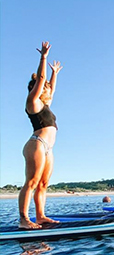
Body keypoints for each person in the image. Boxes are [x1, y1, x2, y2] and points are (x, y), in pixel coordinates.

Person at [18, 41, 63, 229]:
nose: (46, 89)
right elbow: (42, 80)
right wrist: (43, 58)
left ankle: (40, 216)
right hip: (37, 144)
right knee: (32, 182)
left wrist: (55, 74)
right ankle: (23, 219)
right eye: (42, 87)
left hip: (48, 148)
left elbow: (51, 88)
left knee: (43, 184)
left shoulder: (45, 105)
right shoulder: (33, 102)